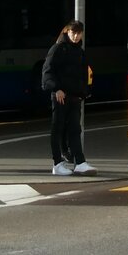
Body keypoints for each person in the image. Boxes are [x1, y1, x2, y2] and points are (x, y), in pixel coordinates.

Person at [42, 20, 97, 175]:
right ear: (67, 32)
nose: (76, 36)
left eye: (79, 33)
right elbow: (48, 70)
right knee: (58, 128)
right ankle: (57, 164)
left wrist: (83, 92)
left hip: (74, 96)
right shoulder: (58, 48)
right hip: (60, 95)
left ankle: (79, 162)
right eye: (73, 33)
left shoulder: (79, 51)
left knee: (74, 129)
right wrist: (56, 88)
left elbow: (83, 73)